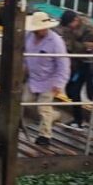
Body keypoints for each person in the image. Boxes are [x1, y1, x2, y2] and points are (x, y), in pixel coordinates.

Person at [23, 12, 70, 146]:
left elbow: (63, 64)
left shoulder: (56, 42)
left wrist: (59, 83)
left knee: (43, 108)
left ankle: (45, 135)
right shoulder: (29, 37)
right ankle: (53, 115)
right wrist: (24, 66)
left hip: (50, 79)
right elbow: (24, 53)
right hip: (33, 77)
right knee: (25, 101)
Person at [57, 10, 93, 130]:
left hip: (87, 63)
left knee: (91, 94)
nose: (69, 28)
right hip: (75, 63)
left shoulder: (88, 29)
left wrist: (72, 44)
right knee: (70, 90)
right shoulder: (68, 27)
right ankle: (78, 119)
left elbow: (86, 48)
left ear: (76, 20)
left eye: (70, 25)